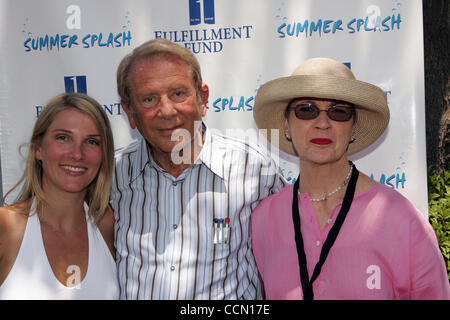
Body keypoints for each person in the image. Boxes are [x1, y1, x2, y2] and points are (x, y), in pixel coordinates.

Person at [251, 57, 450, 300]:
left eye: (339, 112)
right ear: (286, 125)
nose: (322, 123)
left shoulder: (402, 220)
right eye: (306, 109)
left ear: (353, 127)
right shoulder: (263, 221)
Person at [112, 38, 286, 299]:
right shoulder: (110, 176)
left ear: (202, 99)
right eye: (148, 99)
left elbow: (294, 258)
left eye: (178, 94)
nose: (167, 111)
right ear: (130, 112)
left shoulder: (254, 169)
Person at [0, 93, 119, 299]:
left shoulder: (106, 223)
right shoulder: (6, 227)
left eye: (91, 142)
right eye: (63, 138)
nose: (77, 154)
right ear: (38, 148)